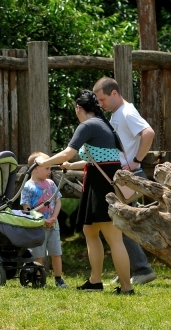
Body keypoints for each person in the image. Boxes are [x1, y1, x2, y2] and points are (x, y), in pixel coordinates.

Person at [35, 90, 133, 295]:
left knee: (114, 237)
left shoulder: (87, 125)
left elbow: (67, 152)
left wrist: (45, 162)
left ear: (78, 108)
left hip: (101, 185)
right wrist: (71, 166)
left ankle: (126, 287)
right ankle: (95, 281)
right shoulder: (102, 123)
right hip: (99, 181)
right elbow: (101, 158)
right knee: (90, 231)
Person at [93, 77, 158, 287]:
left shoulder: (127, 112)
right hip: (123, 176)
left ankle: (142, 270)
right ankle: (127, 269)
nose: (101, 104)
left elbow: (148, 133)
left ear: (114, 93)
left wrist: (135, 162)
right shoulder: (118, 113)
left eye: (102, 99)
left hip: (129, 176)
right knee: (119, 222)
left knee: (122, 222)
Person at [21, 152, 66, 288]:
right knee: (38, 255)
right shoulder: (28, 186)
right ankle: (39, 278)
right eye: (47, 168)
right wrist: (41, 220)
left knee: (56, 253)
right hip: (38, 227)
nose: (49, 171)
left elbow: (58, 202)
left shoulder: (51, 184)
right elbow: (26, 208)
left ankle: (59, 279)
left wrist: (54, 217)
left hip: (53, 225)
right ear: (36, 168)